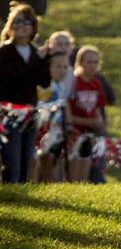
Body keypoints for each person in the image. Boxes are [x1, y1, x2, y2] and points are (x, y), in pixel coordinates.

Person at [0, 3, 52, 183]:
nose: (21, 26)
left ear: (33, 26)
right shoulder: (4, 52)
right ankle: (11, 195)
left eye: (25, 22)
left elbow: (44, 82)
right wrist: (37, 60)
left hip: (30, 111)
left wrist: (45, 60)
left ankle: (22, 195)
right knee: (12, 159)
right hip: (9, 112)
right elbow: (10, 80)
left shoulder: (34, 51)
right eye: (17, 21)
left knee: (26, 158)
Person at [66, 45, 107, 182]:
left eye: (96, 62)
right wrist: (90, 122)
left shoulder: (96, 84)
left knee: (85, 172)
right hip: (73, 133)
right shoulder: (73, 83)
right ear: (80, 62)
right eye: (89, 62)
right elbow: (68, 117)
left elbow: (98, 115)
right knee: (73, 175)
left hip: (89, 133)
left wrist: (95, 123)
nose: (93, 66)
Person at [35, 52, 72, 182]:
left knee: (51, 160)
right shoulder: (44, 87)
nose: (62, 70)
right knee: (42, 159)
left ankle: (48, 186)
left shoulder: (61, 86)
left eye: (65, 67)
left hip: (57, 130)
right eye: (58, 66)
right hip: (44, 129)